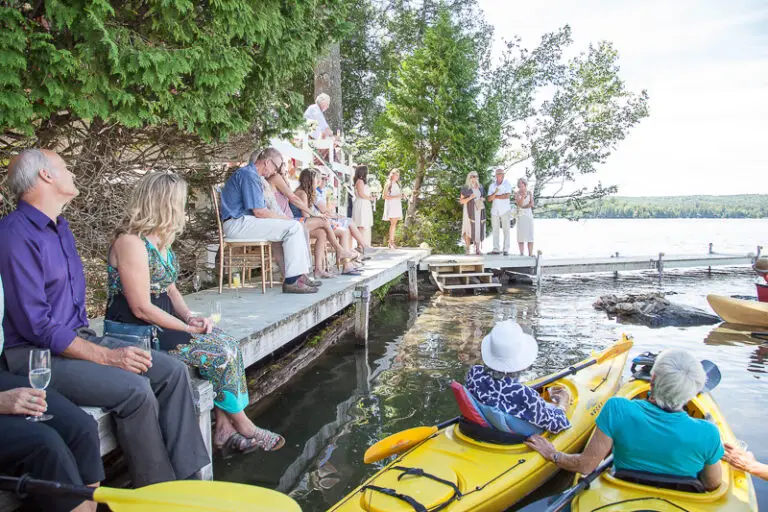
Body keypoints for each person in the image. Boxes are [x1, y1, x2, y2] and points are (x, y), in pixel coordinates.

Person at [0, 149, 210, 486]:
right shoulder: (15, 235)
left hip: (78, 339)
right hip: (33, 357)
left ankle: (191, 482)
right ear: (45, 176)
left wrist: (99, 347)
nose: (72, 173)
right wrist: (108, 356)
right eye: (65, 167)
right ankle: (157, 495)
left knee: (171, 373)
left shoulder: (60, 228)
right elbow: (36, 326)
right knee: (134, 389)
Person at [106, 172, 285, 457]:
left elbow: (171, 289)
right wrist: (188, 329)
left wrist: (190, 317)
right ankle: (242, 424)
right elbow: (140, 306)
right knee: (220, 353)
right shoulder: (130, 242)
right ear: (164, 202)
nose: (183, 207)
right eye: (179, 201)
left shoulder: (159, 240)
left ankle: (225, 427)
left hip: (164, 327)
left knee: (229, 344)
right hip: (139, 333)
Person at [526, 349, 723, 492]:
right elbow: (712, 484)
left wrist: (553, 454)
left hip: (624, 491)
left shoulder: (618, 408)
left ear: (652, 380)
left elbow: (585, 466)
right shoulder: (709, 433)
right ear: (693, 392)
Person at [219, 148, 318, 294]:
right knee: (294, 227)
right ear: (267, 162)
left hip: (242, 222)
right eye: (275, 168)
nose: (274, 172)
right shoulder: (249, 175)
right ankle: (293, 280)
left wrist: (286, 220)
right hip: (236, 223)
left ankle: (299, 276)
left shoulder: (251, 174)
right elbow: (260, 212)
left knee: (294, 226)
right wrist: (287, 220)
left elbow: (261, 211)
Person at [465, 320, 571, 434]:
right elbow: (560, 424)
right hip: (518, 433)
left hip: (489, 427)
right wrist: (563, 403)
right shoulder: (524, 395)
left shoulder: (474, 373)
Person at [294, 169, 361, 276]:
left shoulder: (308, 193)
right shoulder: (302, 193)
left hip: (305, 224)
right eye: (317, 179)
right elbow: (305, 216)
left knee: (324, 233)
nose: (319, 181)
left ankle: (319, 270)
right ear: (310, 180)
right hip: (298, 224)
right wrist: (321, 218)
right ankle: (340, 251)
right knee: (324, 222)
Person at [487, 168, 513, 256]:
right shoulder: (492, 186)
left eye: (500, 173)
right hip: (495, 210)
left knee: (506, 230)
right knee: (495, 230)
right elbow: (489, 199)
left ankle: (506, 249)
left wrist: (495, 196)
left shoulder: (507, 184)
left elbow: (507, 196)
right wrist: (496, 194)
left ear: (503, 175)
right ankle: (496, 249)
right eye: (497, 174)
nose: (499, 175)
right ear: (495, 175)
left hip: (505, 210)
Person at [460, 171, 485, 255]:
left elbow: (482, 197)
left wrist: (482, 199)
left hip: (478, 210)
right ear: (469, 178)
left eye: (475, 176)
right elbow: (462, 201)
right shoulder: (466, 187)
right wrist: (470, 197)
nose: (474, 178)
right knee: (468, 228)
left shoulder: (480, 187)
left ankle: (477, 250)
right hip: (468, 210)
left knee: (478, 228)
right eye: (472, 176)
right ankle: (467, 249)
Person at [352, 165, 375, 246]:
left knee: (364, 225)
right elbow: (361, 194)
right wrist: (370, 198)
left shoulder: (361, 181)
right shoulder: (360, 181)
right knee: (361, 225)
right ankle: (361, 246)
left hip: (364, 204)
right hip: (362, 204)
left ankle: (363, 245)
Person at [382, 169, 403, 249]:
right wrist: (396, 196)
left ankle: (391, 242)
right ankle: (391, 242)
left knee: (394, 224)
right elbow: (384, 196)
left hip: (397, 204)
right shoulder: (388, 183)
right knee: (393, 224)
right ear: (392, 175)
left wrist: (401, 196)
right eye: (396, 175)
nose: (397, 177)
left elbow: (397, 194)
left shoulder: (397, 184)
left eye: (398, 175)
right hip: (391, 205)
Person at [514, 178, 534, 256]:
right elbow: (520, 204)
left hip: (528, 214)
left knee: (530, 234)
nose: (521, 188)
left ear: (525, 185)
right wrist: (522, 197)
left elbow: (532, 204)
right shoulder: (517, 194)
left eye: (523, 186)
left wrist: (524, 206)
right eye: (520, 186)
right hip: (521, 215)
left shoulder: (529, 192)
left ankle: (530, 254)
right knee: (521, 234)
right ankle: (521, 253)